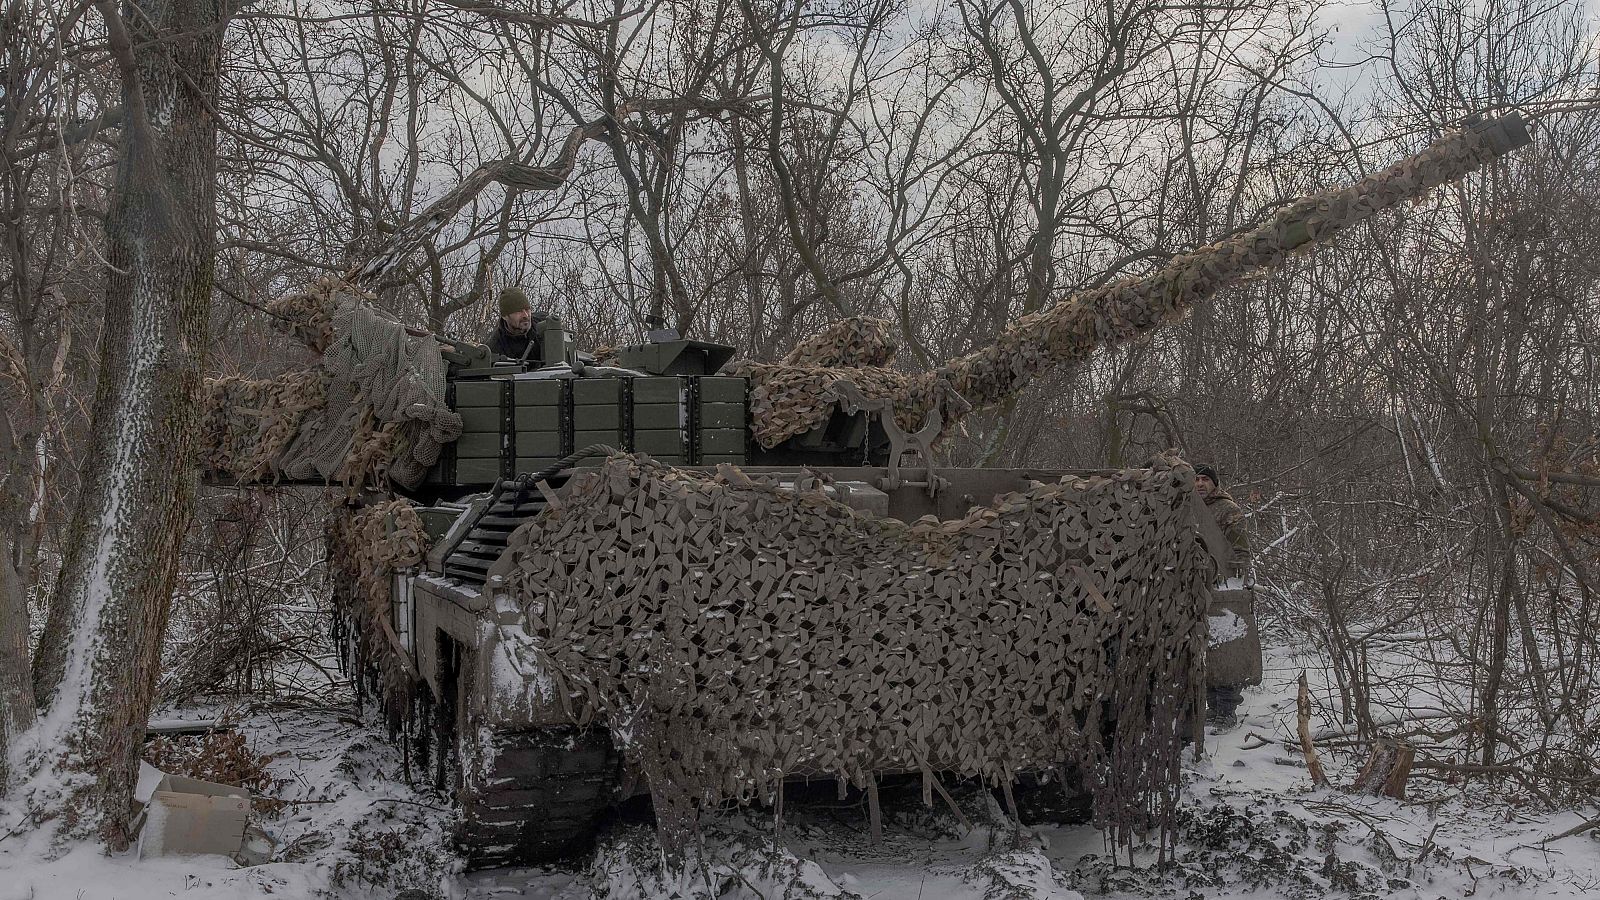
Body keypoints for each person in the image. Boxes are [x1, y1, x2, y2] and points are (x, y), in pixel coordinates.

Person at [1194, 464, 1249, 578]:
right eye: (1196, 479)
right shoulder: (1186, 507)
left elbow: (1240, 551)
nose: (1200, 484)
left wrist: (1237, 576)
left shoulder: (1228, 509)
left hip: (1218, 575)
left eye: (1205, 479)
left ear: (1214, 483)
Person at [483, 287, 543, 361]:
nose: (526, 315)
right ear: (504, 316)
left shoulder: (545, 326)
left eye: (527, 309)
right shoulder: (494, 347)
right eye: (518, 311)